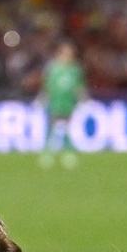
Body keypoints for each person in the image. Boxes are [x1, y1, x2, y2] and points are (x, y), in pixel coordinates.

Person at [40, 41, 86, 169]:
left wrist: (83, 99)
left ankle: (68, 152)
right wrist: (43, 99)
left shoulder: (75, 69)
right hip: (55, 102)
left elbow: (79, 87)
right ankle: (47, 153)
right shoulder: (53, 68)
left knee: (66, 127)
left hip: (68, 102)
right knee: (52, 127)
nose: (68, 55)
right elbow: (47, 86)